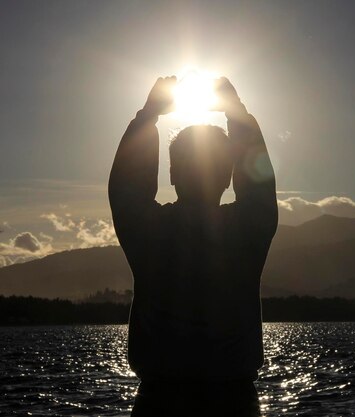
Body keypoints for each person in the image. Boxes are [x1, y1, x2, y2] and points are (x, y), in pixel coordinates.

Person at [109, 76, 277, 416]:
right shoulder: (248, 229)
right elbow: (259, 189)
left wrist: (148, 117)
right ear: (229, 177)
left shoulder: (149, 230)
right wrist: (237, 114)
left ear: (171, 173)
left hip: (159, 403)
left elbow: (126, 188)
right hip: (235, 402)